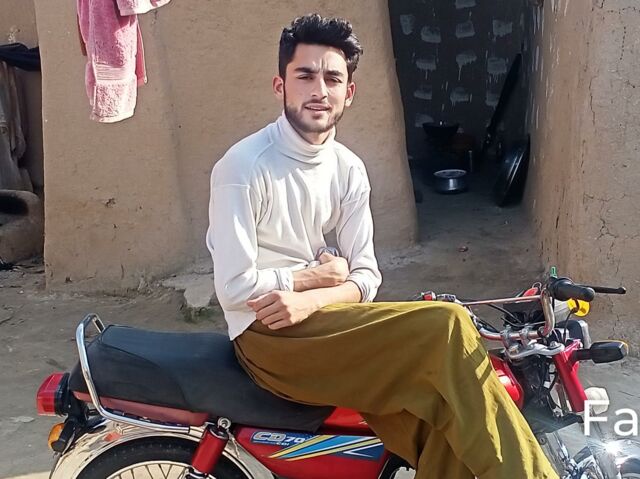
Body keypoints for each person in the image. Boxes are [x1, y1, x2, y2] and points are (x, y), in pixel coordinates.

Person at [206, 13, 558, 479]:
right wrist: (315, 276)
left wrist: (314, 296)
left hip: (323, 321)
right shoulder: (243, 166)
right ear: (280, 86)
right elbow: (234, 288)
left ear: (349, 92)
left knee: (440, 415)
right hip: (268, 340)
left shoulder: (348, 168)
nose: (319, 90)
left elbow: (366, 277)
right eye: (304, 75)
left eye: (333, 79)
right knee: (446, 325)